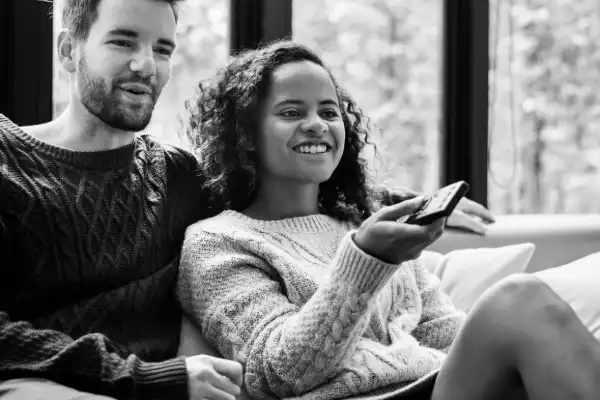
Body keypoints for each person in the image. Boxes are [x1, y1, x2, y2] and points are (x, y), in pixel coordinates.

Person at [0, 1, 493, 399]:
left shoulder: (176, 175)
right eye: (123, 41)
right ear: (68, 50)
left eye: (163, 48)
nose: (145, 64)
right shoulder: (8, 161)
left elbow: (285, 184)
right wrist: (146, 378)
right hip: (59, 382)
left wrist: (410, 203)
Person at [177, 40, 600, 400]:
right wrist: (366, 261)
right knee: (518, 301)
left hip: (433, 384)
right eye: (291, 112)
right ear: (246, 135)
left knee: (527, 331)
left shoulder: (363, 226)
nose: (317, 125)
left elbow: (443, 334)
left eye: (329, 111)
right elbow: (280, 372)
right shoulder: (217, 242)